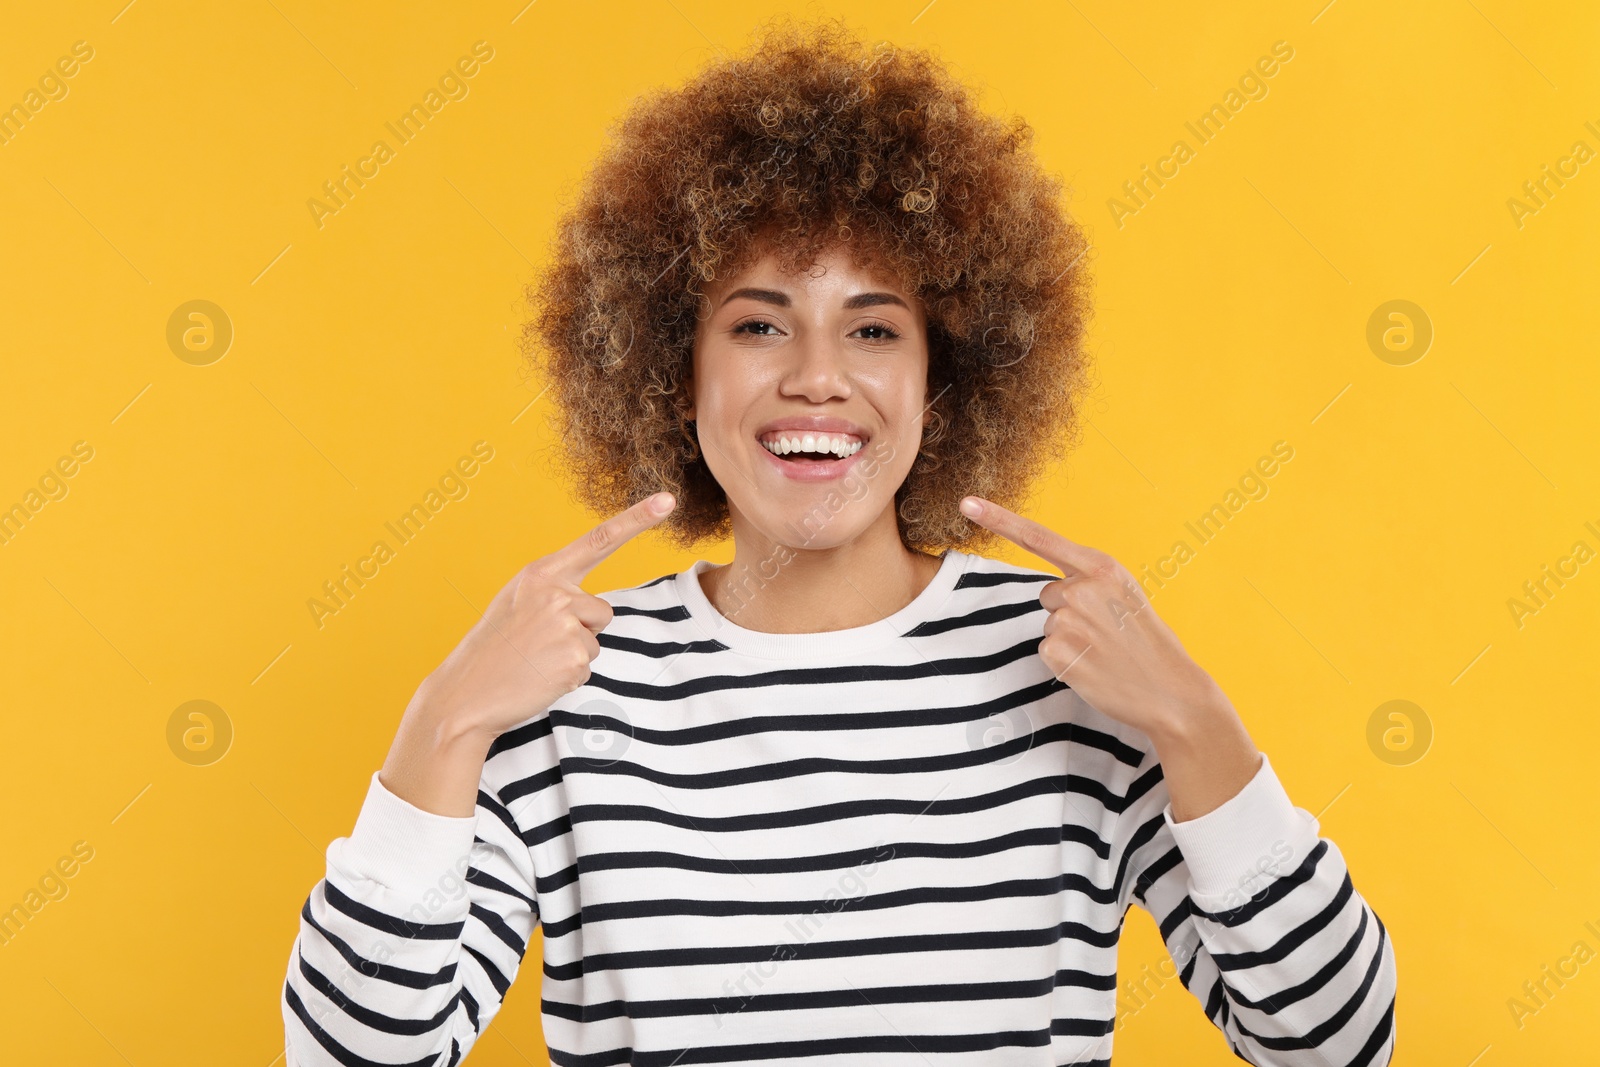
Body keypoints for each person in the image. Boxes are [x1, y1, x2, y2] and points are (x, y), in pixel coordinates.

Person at [281, 17, 1396, 1066]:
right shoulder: (565, 689)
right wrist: (444, 718)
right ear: (676, 376)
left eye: (871, 327)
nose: (816, 376)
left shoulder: (1077, 665)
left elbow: (1331, 1041)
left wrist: (1197, 723)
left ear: (939, 382)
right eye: (759, 323)